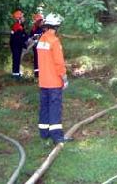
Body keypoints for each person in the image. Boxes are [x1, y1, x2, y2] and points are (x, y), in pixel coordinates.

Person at [36, 13, 72, 144]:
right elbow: (59, 63)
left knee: (44, 107)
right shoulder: (54, 41)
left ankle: (44, 133)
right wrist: (64, 78)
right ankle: (57, 136)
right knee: (55, 108)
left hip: (43, 81)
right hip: (54, 82)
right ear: (57, 26)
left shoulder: (41, 39)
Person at [10, 10, 27, 80]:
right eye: (22, 17)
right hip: (16, 45)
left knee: (17, 59)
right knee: (16, 59)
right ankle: (15, 76)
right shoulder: (17, 26)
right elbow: (20, 37)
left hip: (16, 45)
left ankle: (16, 74)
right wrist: (25, 44)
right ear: (19, 18)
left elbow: (24, 35)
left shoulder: (20, 26)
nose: (24, 18)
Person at [28, 13, 45, 78]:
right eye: (40, 21)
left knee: (42, 60)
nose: (41, 22)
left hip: (43, 48)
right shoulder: (34, 29)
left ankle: (42, 73)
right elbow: (30, 37)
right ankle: (37, 74)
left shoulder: (44, 29)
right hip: (36, 47)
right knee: (36, 60)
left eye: (42, 21)